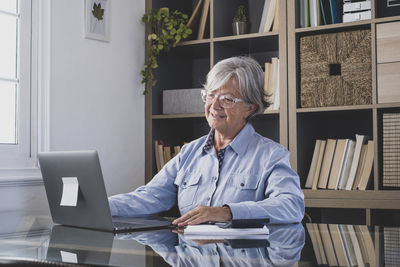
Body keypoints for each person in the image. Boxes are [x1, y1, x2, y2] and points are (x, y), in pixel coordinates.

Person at [108, 56, 304, 225]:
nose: (214, 105)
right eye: (211, 95)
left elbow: (291, 206)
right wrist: (98, 206)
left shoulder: (271, 155)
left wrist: (227, 212)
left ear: (250, 107)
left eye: (227, 99)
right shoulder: (189, 153)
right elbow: (149, 197)